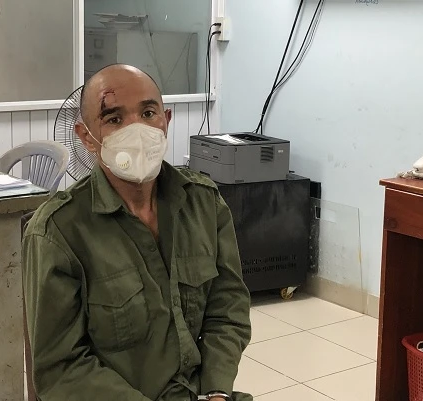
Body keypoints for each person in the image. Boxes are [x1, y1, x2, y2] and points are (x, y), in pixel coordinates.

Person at [22, 64, 252, 401]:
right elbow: (61, 368)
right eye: (114, 119)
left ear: (166, 120)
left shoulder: (204, 204)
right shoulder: (58, 232)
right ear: (87, 137)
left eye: (147, 113)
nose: (137, 130)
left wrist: (216, 390)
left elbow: (228, 308)